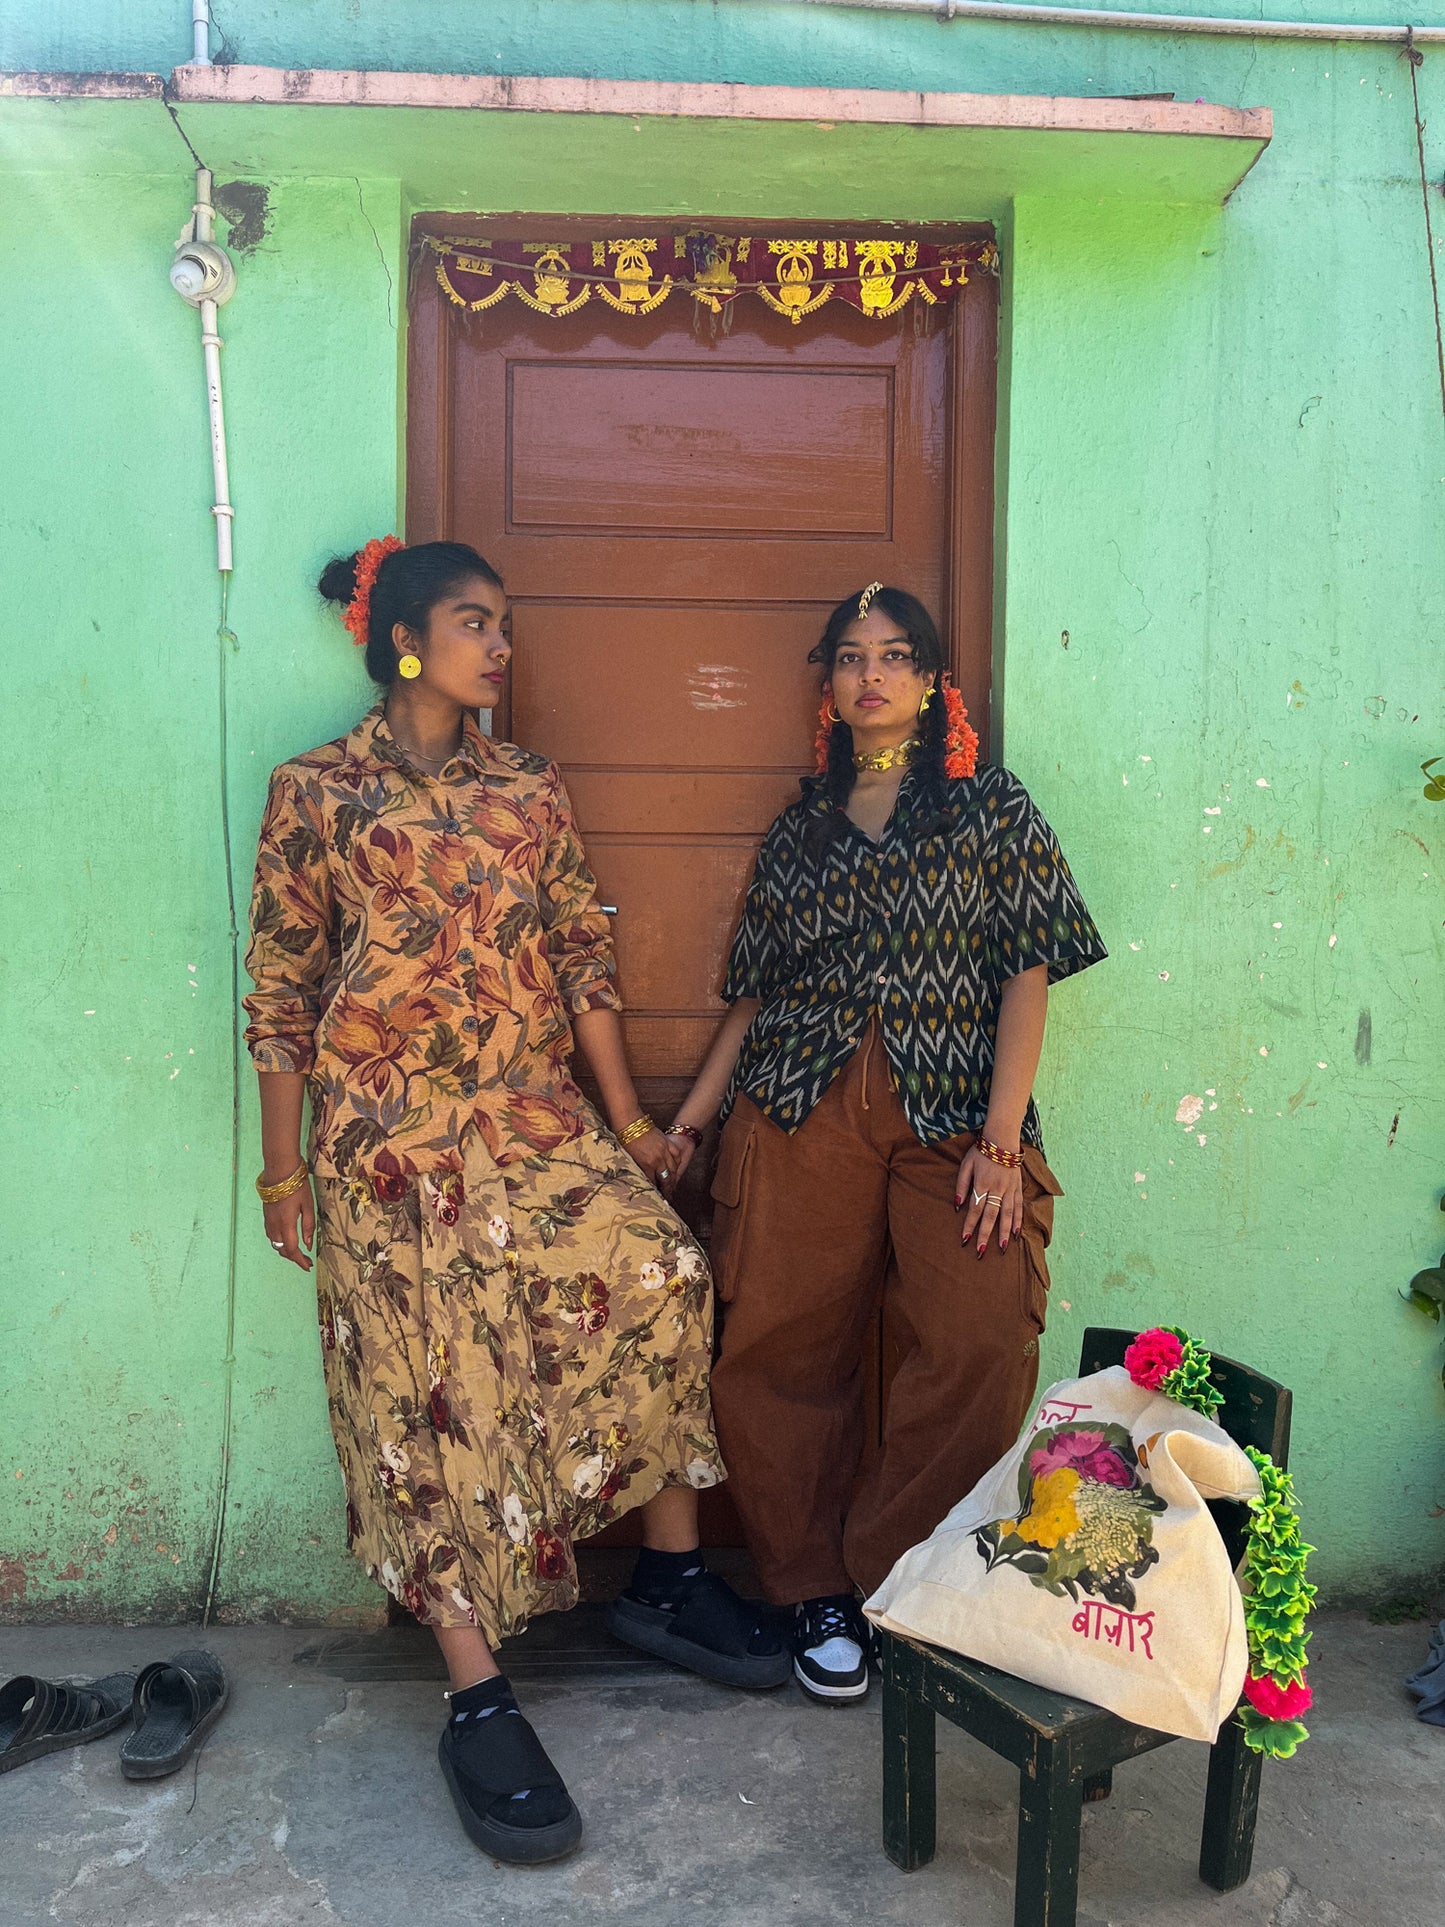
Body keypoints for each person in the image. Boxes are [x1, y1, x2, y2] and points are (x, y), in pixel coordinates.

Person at [243, 537, 787, 1864]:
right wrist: (282, 1161)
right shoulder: (316, 789)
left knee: (661, 1273)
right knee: (428, 1394)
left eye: (506, 623)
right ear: (409, 640)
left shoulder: (526, 785)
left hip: (530, 1120)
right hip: (387, 1148)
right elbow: (278, 989)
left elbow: (579, 953)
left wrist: (634, 1124)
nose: (502, 645)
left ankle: (666, 1575)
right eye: (477, 622)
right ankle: (476, 1690)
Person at [666, 583, 1107, 1705]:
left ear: (929, 682)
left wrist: (1000, 1142)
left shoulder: (987, 808)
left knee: (974, 1334)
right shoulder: (800, 827)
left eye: (895, 655)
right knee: (776, 1343)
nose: (871, 674)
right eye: (850, 657)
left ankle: (892, 1570)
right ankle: (810, 1583)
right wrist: (690, 1120)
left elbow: (1027, 965)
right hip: (799, 1103)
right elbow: (755, 996)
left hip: (955, 1113)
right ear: (828, 684)